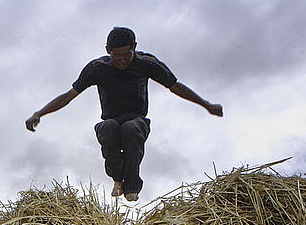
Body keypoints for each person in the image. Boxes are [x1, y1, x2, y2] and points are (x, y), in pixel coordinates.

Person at [25, 26, 223, 202]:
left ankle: (132, 186)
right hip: (110, 119)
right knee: (108, 127)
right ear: (108, 51)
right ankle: (117, 179)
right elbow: (68, 96)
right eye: (116, 55)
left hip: (136, 120)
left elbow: (175, 86)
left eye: (127, 54)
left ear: (134, 48)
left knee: (131, 128)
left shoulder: (147, 64)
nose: (122, 60)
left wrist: (206, 105)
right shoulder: (97, 68)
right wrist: (39, 113)